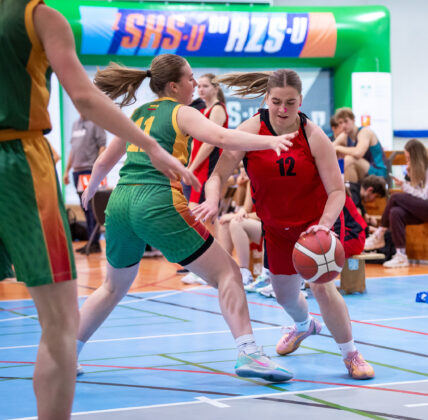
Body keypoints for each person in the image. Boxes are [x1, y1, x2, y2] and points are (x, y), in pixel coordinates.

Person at [0, 3, 197, 419]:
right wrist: (152, 146)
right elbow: (85, 97)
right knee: (60, 324)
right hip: (18, 164)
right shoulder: (38, 15)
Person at [77, 54, 296, 382]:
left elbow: (103, 163)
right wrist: (270, 140)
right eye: (190, 78)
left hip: (119, 203)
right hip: (157, 200)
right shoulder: (182, 111)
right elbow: (222, 138)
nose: (195, 83)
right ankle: (250, 352)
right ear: (174, 86)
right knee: (228, 273)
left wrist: (90, 190)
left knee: (111, 287)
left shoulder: (138, 113)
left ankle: (67, 353)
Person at [197, 69, 375, 380]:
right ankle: (304, 326)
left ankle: (351, 354)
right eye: (276, 101)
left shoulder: (313, 136)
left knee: (322, 288)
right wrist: (212, 200)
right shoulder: (250, 130)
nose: (282, 109)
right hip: (276, 231)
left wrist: (324, 225)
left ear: (300, 101)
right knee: (285, 296)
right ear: (266, 98)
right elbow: (217, 175)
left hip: (313, 227)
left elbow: (337, 191)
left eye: (290, 102)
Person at [364, 139, 428, 268]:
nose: (407, 162)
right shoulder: (423, 168)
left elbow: (425, 196)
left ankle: (379, 234)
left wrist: (405, 187)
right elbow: (420, 194)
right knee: (396, 212)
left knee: (395, 198)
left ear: (415, 156)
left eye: (408, 158)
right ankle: (401, 255)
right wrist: (410, 179)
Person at [62, 114, 107, 253]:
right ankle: (90, 242)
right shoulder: (75, 124)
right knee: (85, 207)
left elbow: (102, 147)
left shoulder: (96, 122)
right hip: (77, 172)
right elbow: (73, 151)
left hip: (90, 171)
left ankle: (94, 243)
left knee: (93, 208)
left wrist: (97, 169)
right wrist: (66, 171)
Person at [183, 73, 227, 209]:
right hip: (198, 165)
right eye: (199, 86)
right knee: (198, 212)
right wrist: (190, 165)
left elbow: (210, 143)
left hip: (208, 166)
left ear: (216, 88)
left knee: (198, 211)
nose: (201, 89)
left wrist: (192, 167)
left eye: (205, 86)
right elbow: (194, 142)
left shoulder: (217, 109)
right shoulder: (201, 110)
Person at [332, 107, 388, 183]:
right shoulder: (344, 135)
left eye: (346, 121)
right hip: (365, 173)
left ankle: (350, 189)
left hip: (379, 173)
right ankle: (349, 188)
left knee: (349, 159)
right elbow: (330, 149)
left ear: (353, 120)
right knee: (342, 161)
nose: (343, 125)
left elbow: (358, 153)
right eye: (340, 123)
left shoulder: (365, 132)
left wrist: (338, 148)